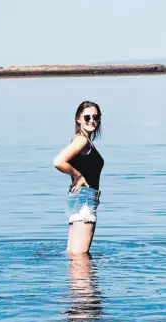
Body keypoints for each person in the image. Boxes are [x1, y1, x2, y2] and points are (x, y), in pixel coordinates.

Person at [53, 101, 104, 254]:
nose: (92, 121)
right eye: (87, 117)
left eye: (96, 117)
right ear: (78, 119)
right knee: (80, 257)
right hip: (84, 201)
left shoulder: (83, 140)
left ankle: (80, 278)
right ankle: (86, 279)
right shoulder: (81, 140)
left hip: (80, 199)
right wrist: (79, 176)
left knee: (74, 254)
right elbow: (58, 161)